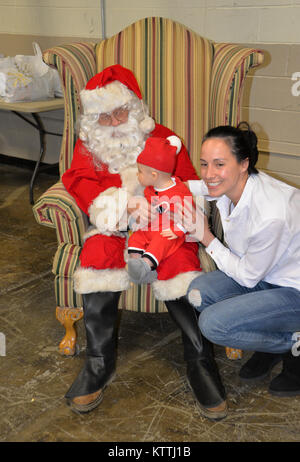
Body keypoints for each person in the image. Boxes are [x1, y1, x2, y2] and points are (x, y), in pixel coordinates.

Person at [61, 64, 227, 420]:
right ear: (92, 120)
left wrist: (164, 211)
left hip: (163, 225)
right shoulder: (88, 146)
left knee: (180, 261)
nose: (115, 120)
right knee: (97, 253)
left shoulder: (164, 138)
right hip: (114, 225)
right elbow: (78, 180)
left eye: (121, 110)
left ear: (136, 108)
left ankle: (199, 360)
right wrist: (114, 206)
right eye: (104, 116)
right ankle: (99, 362)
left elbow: (187, 182)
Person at [177, 122, 300, 404]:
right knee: (198, 292)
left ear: (243, 163)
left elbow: (246, 277)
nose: (209, 174)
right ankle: (271, 338)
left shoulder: (271, 214)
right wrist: (162, 186)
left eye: (219, 164)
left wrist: (206, 238)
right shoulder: (231, 186)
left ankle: (291, 344)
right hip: (267, 276)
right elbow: (202, 186)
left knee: (213, 325)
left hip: (294, 289)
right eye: (204, 163)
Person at [127, 135, 195, 284]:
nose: (137, 175)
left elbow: (189, 216)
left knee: (160, 241)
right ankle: (135, 264)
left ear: (154, 175)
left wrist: (177, 230)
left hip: (169, 231)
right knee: (137, 236)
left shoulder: (180, 191)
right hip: (153, 225)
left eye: (140, 172)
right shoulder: (150, 189)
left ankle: (147, 264)